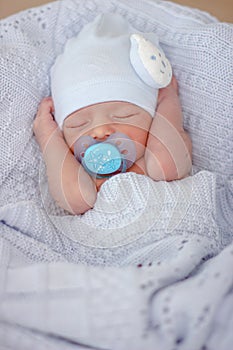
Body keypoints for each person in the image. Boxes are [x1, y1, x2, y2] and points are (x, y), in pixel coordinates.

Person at [33, 13, 192, 215]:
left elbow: (167, 165)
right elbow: (76, 200)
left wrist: (168, 100)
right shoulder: (85, 179)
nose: (99, 131)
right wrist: (48, 137)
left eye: (123, 116)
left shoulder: (158, 162)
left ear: (154, 117)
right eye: (78, 124)